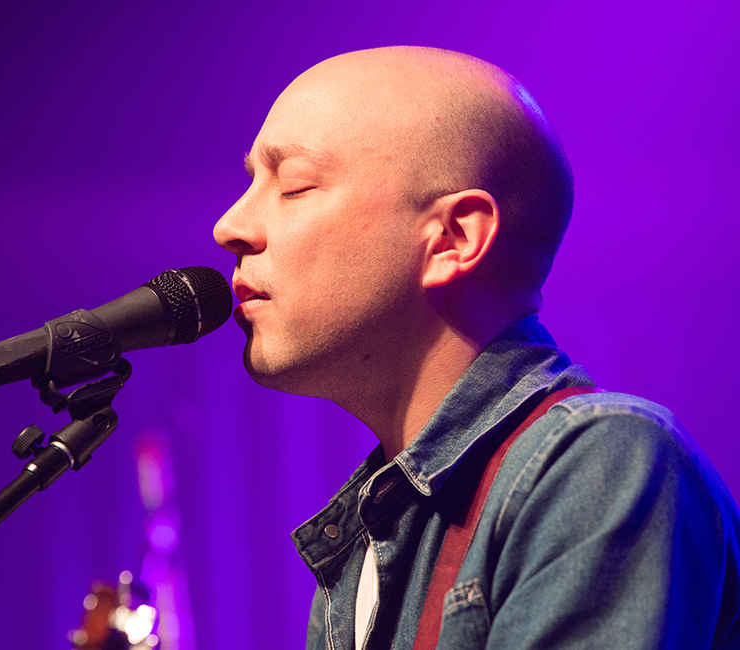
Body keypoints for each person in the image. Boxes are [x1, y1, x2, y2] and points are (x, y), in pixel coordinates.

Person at [213, 46, 740, 649]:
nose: (229, 225)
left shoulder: (598, 459)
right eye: (252, 181)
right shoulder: (375, 528)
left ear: (454, 237)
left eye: (296, 186)